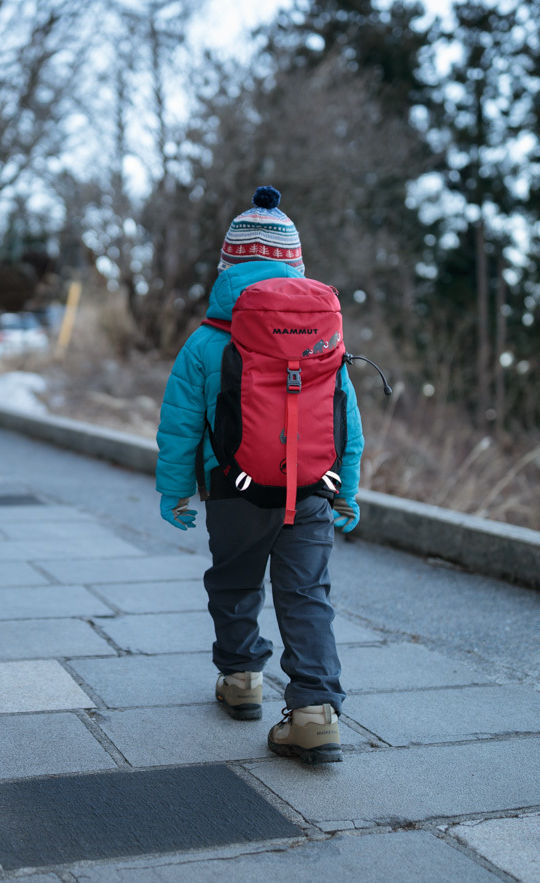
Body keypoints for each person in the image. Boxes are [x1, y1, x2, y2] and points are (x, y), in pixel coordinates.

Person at [155, 187, 364, 764]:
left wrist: (176, 491)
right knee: (306, 596)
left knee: (235, 582)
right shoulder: (324, 333)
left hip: (232, 489)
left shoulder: (203, 341)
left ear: (227, 265)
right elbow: (346, 418)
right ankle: (316, 714)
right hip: (312, 491)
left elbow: (180, 427)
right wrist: (345, 489)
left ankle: (242, 678)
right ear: (296, 265)